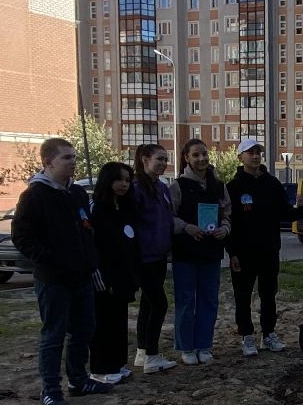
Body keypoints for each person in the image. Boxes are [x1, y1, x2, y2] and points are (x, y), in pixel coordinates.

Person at [10, 137, 112, 405]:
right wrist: (51, 260)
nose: (73, 163)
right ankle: (51, 389)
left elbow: (86, 230)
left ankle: (79, 380)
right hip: (54, 279)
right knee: (54, 334)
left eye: (75, 157)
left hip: (82, 277)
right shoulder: (35, 196)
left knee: (84, 330)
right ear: (48, 162)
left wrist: (89, 260)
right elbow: (22, 236)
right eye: (67, 158)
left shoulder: (76, 193)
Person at [227, 138, 290, 355]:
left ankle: (268, 334)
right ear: (240, 157)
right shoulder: (234, 187)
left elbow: (285, 212)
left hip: (269, 250)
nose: (255, 156)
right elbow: (229, 221)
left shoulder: (272, 184)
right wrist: (232, 252)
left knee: (268, 294)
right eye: (250, 153)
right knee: (243, 296)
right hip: (244, 253)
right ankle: (246, 336)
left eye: (258, 153)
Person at [171, 138, 230, 366]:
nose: (201, 159)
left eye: (204, 154)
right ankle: (186, 346)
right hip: (185, 253)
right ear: (186, 158)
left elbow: (227, 215)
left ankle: (204, 345)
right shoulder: (177, 186)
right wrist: (186, 227)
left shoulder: (218, 186)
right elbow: (170, 216)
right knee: (186, 301)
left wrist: (225, 229)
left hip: (211, 252)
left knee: (209, 300)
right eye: (196, 155)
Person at [89, 160, 141, 385]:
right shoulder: (98, 209)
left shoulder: (126, 207)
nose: (124, 184)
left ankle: (118, 363)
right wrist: (99, 273)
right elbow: (94, 244)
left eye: (128, 180)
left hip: (124, 274)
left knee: (119, 321)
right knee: (103, 323)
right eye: (119, 180)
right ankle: (101, 368)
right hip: (104, 274)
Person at [129, 143, 178, 374]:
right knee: (160, 304)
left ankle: (142, 352)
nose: (163, 163)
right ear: (144, 160)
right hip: (143, 257)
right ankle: (152, 355)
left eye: (165, 159)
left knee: (148, 305)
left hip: (159, 255)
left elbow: (167, 218)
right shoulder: (136, 188)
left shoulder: (162, 188)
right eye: (159, 158)